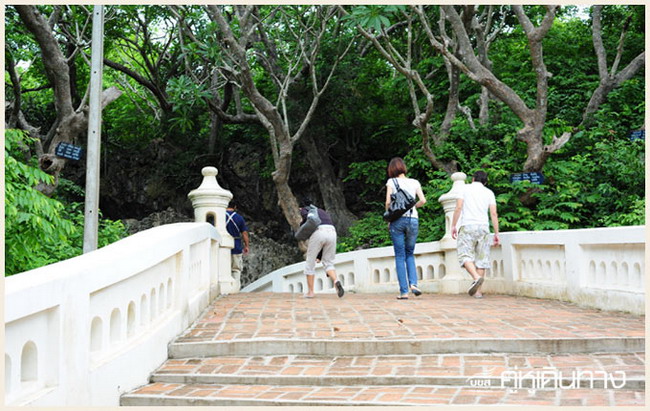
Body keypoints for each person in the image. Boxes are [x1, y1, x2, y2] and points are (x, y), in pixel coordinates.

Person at [451, 170, 500, 298]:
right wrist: (496, 233)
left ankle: (476, 277)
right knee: (481, 259)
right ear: (485, 182)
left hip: (467, 226)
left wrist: (453, 225)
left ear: (473, 179)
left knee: (464, 255)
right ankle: (478, 292)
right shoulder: (489, 192)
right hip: (483, 227)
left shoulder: (464, 189)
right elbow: (493, 214)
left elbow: (458, 207)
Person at [385, 157, 427, 300]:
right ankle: (414, 284)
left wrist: (390, 218)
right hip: (413, 220)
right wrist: (411, 207)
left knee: (400, 255)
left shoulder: (391, 182)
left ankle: (404, 292)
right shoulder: (414, 182)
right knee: (410, 253)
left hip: (398, 221)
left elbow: (388, 202)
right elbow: (423, 200)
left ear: (392, 169)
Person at [299, 198, 344, 299]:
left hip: (319, 231)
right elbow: (323, 240)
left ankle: (310, 292)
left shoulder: (305, 210)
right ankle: (336, 280)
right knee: (328, 263)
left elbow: (307, 226)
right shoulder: (321, 211)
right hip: (332, 231)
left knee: (310, 262)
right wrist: (319, 256)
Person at [226, 202, 250, 291]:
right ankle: (236, 289)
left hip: (223, 247)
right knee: (236, 269)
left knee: (224, 268)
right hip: (236, 246)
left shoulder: (220, 217)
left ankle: (225, 289)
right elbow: (244, 233)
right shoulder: (239, 218)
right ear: (235, 206)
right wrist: (246, 246)